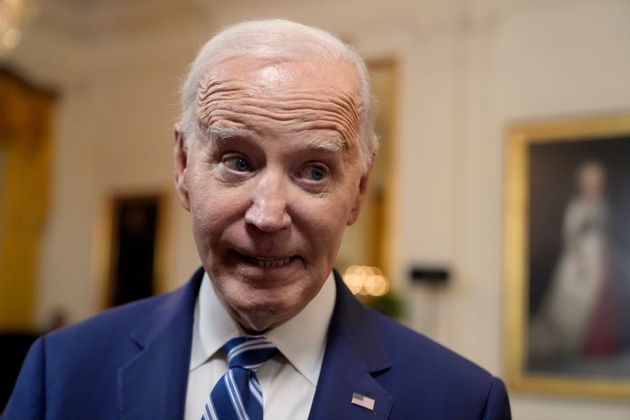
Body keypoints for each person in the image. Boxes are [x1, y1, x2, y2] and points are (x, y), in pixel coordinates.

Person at [3, 19, 511, 420]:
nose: (267, 217)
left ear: (358, 189)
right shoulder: (63, 371)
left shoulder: (461, 403)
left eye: (314, 171)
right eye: (238, 162)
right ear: (183, 166)